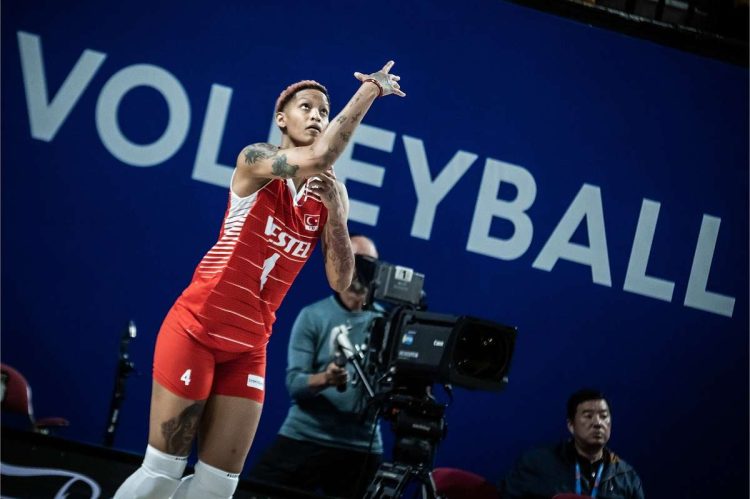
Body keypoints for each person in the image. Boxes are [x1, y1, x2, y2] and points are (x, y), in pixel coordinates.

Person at [114, 61, 406, 499]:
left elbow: (341, 282)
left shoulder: (331, 193)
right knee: (162, 474)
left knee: (217, 487)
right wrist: (370, 91)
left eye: (324, 112)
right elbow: (320, 155)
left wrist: (337, 219)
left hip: (250, 345)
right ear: (281, 118)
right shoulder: (256, 160)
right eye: (306, 107)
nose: (316, 116)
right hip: (197, 328)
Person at [248, 234, 383, 498]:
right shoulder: (313, 316)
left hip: (360, 445)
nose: (361, 269)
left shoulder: (387, 322)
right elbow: (295, 384)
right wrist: (325, 379)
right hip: (307, 434)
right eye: (355, 260)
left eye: (369, 263)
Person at [500, 388, 644, 499]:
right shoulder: (537, 464)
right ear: (571, 425)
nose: (597, 423)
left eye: (604, 416)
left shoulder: (626, 476)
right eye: (588, 416)